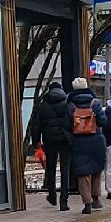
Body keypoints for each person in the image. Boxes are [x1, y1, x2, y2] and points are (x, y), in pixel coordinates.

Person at [66, 78, 108, 213]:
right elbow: (103, 121)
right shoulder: (95, 103)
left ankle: (87, 203)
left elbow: (66, 125)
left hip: (79, 142)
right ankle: (96, 199)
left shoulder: (70, 105)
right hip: (96, 141)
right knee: (96, 170)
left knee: (83, 173)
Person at [29, 80, 72, 208]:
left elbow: (36, 125)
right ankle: (64, 201)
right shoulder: (67, 104)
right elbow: (72, 121)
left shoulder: (42, 105)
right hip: (65, 139)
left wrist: (36, 142)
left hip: (49, 140)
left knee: (51, 168)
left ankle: (52, 195)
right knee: (65, 169)